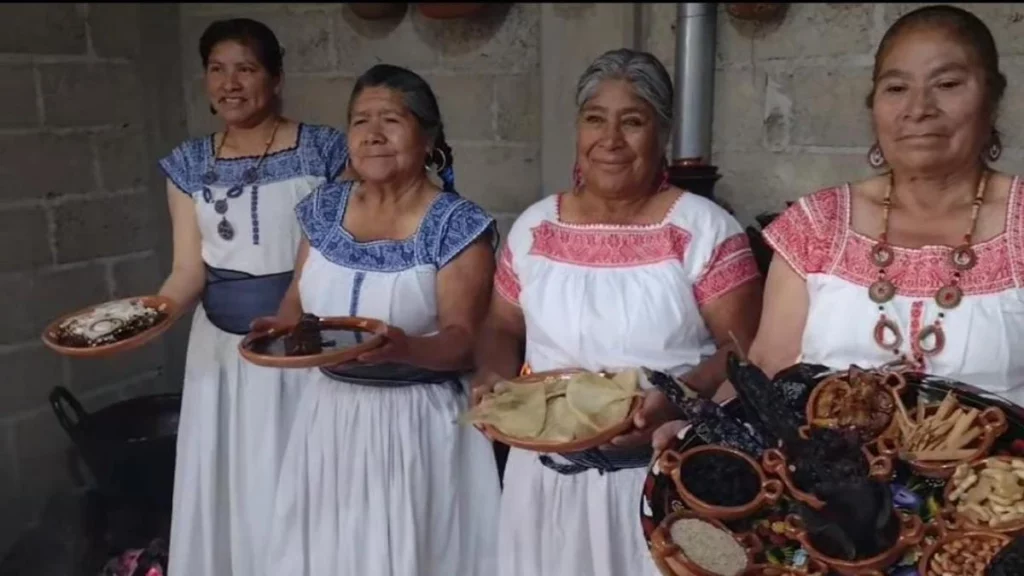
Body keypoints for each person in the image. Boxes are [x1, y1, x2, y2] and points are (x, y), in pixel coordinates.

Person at [472, 48, 763, 576]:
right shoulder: (535, 228)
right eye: (594, 120)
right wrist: (493, 377)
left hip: (659, 478)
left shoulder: (704, 230)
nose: (609, 140)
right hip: (543, 478)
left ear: (663, 134)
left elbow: (744, 351)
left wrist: (674, 400)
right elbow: (500, 324)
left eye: (632, 121)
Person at [263, 64, 501, 576]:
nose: (372, 135)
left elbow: (464, 341)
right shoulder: (322, 209)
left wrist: (404, 347)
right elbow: (295, 302)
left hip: (416, 424)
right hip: (330, 417)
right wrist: (277, 332)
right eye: (359, 121)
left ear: (428, 135)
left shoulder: (458, 225)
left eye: (390, 120)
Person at [748, 6, 1024, 404]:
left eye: (947, 84)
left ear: (993, 98)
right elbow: (767, 368)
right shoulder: (816, 225)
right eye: (896, 89)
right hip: (823, 463)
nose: (919, 108)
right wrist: (694, 427)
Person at [156, 18, 349, 576]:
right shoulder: (188, 163)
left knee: (300, 480)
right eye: (217, 69)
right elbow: (188, 270)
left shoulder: (324, 150)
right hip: (220, 356)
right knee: (233, 481)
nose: (230, 83)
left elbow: (335, 251)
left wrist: (293, 314)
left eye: (246, 68)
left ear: (277, 77)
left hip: (299, 348)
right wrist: (151, 316)